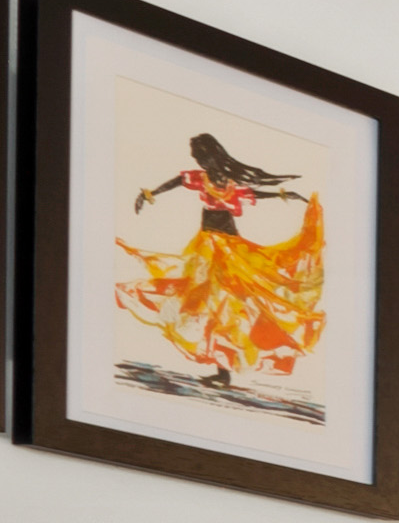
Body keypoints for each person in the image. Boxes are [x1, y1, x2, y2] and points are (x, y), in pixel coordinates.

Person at [118, 126, 326, 390]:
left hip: (228, 250)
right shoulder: (201, 179)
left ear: (209, 156)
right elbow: (178, 181)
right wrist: (149, 193)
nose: (196, 160)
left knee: (227, 304)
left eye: (198, 156)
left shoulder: (229, 184)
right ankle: (223, 372)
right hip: (207, 248)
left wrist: (283, 194)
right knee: (209, 304)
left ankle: (228, 368)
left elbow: (252, 194)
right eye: (196, 157)